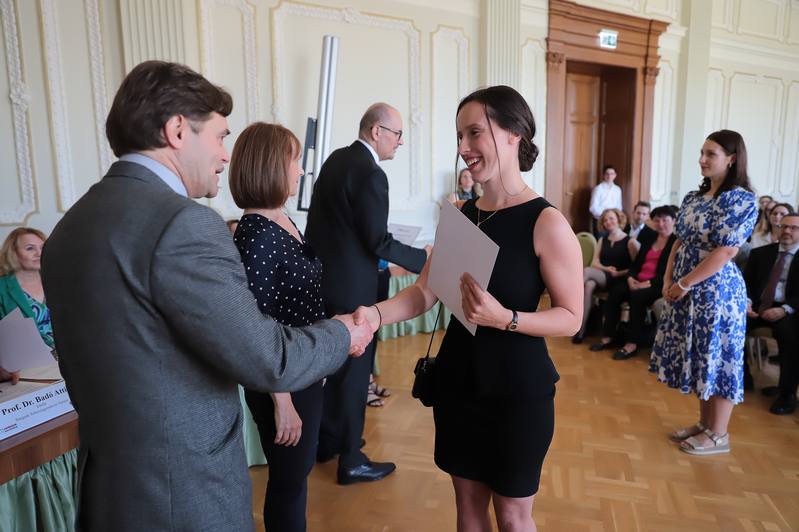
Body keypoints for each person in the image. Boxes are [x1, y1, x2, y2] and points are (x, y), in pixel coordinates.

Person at [40, 61, 371, 532]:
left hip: (108, 490)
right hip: (184, 493)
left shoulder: (68, 229)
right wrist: (343, 333)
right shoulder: (184, 223)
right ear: (178, 130)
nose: (225, 156)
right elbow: (269, 359)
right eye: (219, 137)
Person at [355, 85, 583, 532]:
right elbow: (425, 292)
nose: (463, 147)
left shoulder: (546, 222)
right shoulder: (461, 213)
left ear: (514, 134)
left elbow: (571, 317)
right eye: (460, 136)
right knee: (468, 508)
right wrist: (374, 315)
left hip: (517, 392)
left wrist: (505, 318)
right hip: (458, 384)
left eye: (475, 133)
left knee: (513, 517)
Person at [305, 102, 429, 485]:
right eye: (397, 134)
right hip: (355, 292)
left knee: (332, 369)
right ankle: (352, 460)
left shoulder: (335, 161)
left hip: (324, 283)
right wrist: (424, 259)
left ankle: (328, 443)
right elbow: (378, 240)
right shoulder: (372, 173)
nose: (400, 142)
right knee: (355, 377)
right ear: (377, 132)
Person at [228, 122, 329, 532]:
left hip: (302, 368)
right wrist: (282, 402)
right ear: (270, 165)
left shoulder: (282, 219)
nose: (301, 170)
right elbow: (258, 325)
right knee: (288, 482)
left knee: (296, 477)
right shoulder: (256, 236)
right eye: (295, 160)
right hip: (282, 381)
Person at [650, 129, 757, 456]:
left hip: (718, 293)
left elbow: (726, 251)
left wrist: (685, 283)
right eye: (702, 152)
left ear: (732, 159)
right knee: (701, 356)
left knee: (719, 358)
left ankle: (719, 434)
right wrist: (668, 278)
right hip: (687, 288)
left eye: (711, 154)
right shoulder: (693, 198)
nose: (702, 159)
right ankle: (705, 424)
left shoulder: (741, 199)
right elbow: (678, 241)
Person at [592, 205, 678, 359]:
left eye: (665, 220)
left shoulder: (676, 242)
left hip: (658, 284)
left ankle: (631, 344)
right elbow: (636, 264)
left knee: (637, 297)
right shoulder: (650, 238)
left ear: (674, 221)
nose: (660, 224)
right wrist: (631, 278)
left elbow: (671, 272)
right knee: (616, 292)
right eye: (657, 220)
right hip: (638, 280)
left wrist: (647, 283)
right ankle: (608, 336)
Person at [743, 213, 799, 415]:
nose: (787, 231)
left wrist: (784, 309)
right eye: (783, 227)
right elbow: (745, 284)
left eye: (793, 228)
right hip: (758, 306)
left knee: (790, 334)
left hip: (790, 310)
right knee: (730, 324)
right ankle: (742, 378)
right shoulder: (760, 253)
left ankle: (787, 394)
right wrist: (747, 303)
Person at [0, 228, 54, 384]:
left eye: (42, 247)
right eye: (30, 248)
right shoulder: (2, 288)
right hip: (25, 372)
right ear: (13, 253)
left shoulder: (57, 280)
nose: (39, 253)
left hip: (66, 363)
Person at [573, 208, 632, 344]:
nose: (608, 222)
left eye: (611, 218)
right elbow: (595, 262)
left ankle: (569, 299)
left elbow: (635, 267)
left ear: (618, 219)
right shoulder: (602, 240)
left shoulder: (630, 241)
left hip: (619, 279)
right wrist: (607, 268)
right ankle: (581, 330)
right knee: (588, 285)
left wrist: (618, 272)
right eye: (605, 220)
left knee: (586, 271)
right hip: (603, 276)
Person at [589, 165, 623, 236]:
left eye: (612, 174)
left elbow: (619, 206)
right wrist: (605, 217)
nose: (609, 176)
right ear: (604, 175)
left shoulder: (617, 189)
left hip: (614, 221)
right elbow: (593, 208)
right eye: (607, 174)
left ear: (615, 175)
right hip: (601, 221)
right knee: (601, 241)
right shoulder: (598, 189)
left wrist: (614, 217)